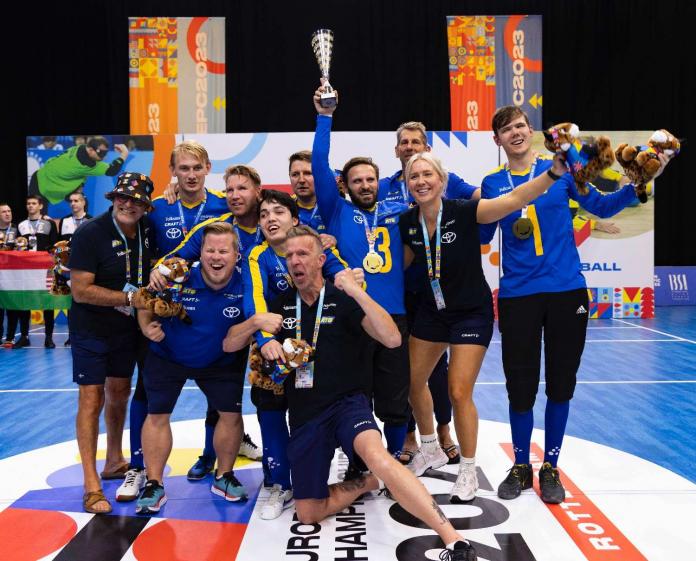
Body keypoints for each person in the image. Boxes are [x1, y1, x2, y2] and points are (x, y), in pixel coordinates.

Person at [226, 226, 478, 561]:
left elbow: (391, 339)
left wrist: (358, 291)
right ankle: (368, 483)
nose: (294, 261)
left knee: (378, 456)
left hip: (348, 405)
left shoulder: (344, 298)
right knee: (308, 513)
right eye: (289, 256)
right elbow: (229, 344)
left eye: (302, 254)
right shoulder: (280, 306)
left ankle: (453, 537)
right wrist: (253, 323)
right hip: (304, 415)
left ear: (321, 260)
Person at [480, 106, 671, 504]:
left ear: (530, 131)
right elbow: (482, 231)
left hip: (567, 291)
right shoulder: (492, 182)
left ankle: (550, 466)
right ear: (496, 140)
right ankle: (520, 465)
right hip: (517, 296)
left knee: (561, 384)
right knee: (520, 387)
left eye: (519, 126)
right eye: (505, 130)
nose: (514, 133)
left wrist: (638, 185)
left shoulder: (565, 170)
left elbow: (601, 206)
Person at [400, 150, 568, 504]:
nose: (421, 181)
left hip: (470, 315)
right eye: (413, 176)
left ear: (442, 180)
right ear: (407, 184)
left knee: (459, 392)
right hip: (432, 313)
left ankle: (467, 470)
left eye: (427, 174)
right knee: (411, 383)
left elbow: (517, 197)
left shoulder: (465, 211)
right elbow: (390, 268)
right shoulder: (407, 223)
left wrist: (553, 174)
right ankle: (429, 447)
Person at [134, 222, 269, 514]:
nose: (216, 257)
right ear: (201, 253)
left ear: (237, 255)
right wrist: (146, 327)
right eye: (210, 250)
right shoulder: (176, 276)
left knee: (231, 416)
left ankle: (224, 476)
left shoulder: (248, 283)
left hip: (221, 359)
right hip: (167, 355)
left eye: (223, 250)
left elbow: (258, 317)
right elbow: (144, 299)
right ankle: (154, 483)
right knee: (157, 415)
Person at [311, 84, 411, 463]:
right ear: (346, 186)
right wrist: (325, 117)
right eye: (357, 181)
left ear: (378, 180)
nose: (365, 185)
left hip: (394, 316)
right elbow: (320, 165)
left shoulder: (398, 210)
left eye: (370, 179)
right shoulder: (337, 212)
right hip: (353, 318)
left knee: (395, 395)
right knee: (357, 394)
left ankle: (397, 457)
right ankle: (359, 462)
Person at [243, 189, 356, 520]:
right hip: (279, 348)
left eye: (278, 212)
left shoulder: (314, 244)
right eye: (263, 214)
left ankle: (351, 459)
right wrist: (264, 339)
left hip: (324, 341)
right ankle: (280, 483)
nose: (269, 219)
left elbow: (343, 275)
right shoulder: (257, 255)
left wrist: (354, 283)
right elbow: (256, 300)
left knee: (338, 400)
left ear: (296, 219)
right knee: (271, 408)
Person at [154, 163, 265, 479]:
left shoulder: (272, 221)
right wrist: (158, 270)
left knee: (263, 396)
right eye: (229, 189)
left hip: (265, 318)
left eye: (242, 188)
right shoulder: (214, 228)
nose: (234, 195)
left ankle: (274, 461)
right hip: (230, 319)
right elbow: (174, 259)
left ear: (257, 191)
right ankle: (208, 455)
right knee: (220, 398)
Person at [381, 120, 480, 465]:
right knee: (405, 372)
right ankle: (412, 435)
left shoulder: (447, 183)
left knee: (440, 372)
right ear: (396, 150)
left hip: (438, 294)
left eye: (416, 142)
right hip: (399, 293)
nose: (409, 147)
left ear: (427, 150)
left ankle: (443, 430)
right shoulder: (382, 187)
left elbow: (482, 200)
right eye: (404, 142)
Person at [68, 172, 154, 514]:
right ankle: (91, 484)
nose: (127, 203)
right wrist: (129, 299)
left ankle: (114, 460)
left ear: (145, 205)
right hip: (91, 329)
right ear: (113, 197)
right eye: (122, 196)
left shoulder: (147, 230)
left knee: (120, 393)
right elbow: (80, 289)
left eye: (135, 199)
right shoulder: (91, 232)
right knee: (91, 399)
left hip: (126, 330)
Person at [148, 140, 228, 257]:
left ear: (207, 168)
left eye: (197, 168)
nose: (191, 176)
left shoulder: (225, 204)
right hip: (170, 274)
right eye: (184, 168)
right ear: (173, 170)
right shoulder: (156, 208)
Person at [28, 136, 128, 205]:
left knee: (81, 201)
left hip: (42, 175)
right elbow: (112, 171)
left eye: (104, 153)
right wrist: (124, 154)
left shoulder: (80, 147)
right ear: (90, 150)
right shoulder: (88, 165)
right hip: (42, 188)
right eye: (100, 153)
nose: (103, 157)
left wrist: (81, 185)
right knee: (38, 219)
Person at [17, 195, 59, 348]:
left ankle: (49, 338)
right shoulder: (21, 225)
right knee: (25, 302)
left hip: (45, 269)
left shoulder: (49, 224)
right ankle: (24, 336)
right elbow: (17, 249)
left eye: (34, 203)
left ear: (40, 206)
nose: (30, 206)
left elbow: (55, 246)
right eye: (28, 203)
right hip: (27, 270)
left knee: (48, 302)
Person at [0, 203, 20, 346]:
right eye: (4, 212)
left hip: (13, 274)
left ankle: (10, 337)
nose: (7, 214)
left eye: (9, 211)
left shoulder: (18, 229)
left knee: (12, 305)